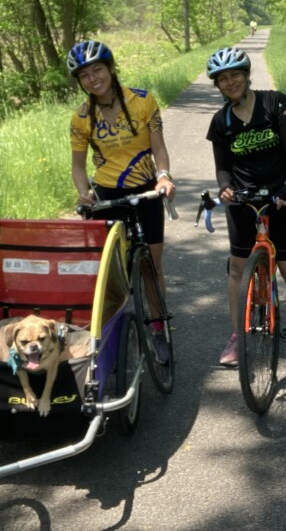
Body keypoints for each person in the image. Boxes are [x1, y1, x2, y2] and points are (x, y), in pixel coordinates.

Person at [205, 46, 286, 372]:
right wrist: (224, 187)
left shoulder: (276, 103)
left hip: (280, 199)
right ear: (217, 85)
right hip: (243, 202)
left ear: (246, 75)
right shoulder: (221, 121)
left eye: (235, 75)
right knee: (237, 269)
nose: (230, 82)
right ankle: (237, 335)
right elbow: (222, 167)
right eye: (222, 79)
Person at [67, 39, 175, 362]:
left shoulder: (143, 101)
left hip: (145, 191)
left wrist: (165, 175)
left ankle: (158, 329)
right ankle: (109, 334)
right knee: (108, 274)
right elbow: (77, 166)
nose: (92, 78)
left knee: (151, 269)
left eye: (97, 69)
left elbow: (158, 147)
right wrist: (83, 191)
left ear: (111, 68)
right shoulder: (81, 117)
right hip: (108, 196)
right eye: (84, 75)